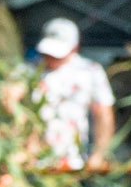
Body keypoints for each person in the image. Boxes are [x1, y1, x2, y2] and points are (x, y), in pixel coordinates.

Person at [32, 17, 115, 170]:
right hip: (31, 163)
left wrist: (99, 153)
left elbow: (103, 113)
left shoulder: (90, 71)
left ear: (75, 47)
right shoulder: (27, 71)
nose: (51, 58)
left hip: (72, 164)